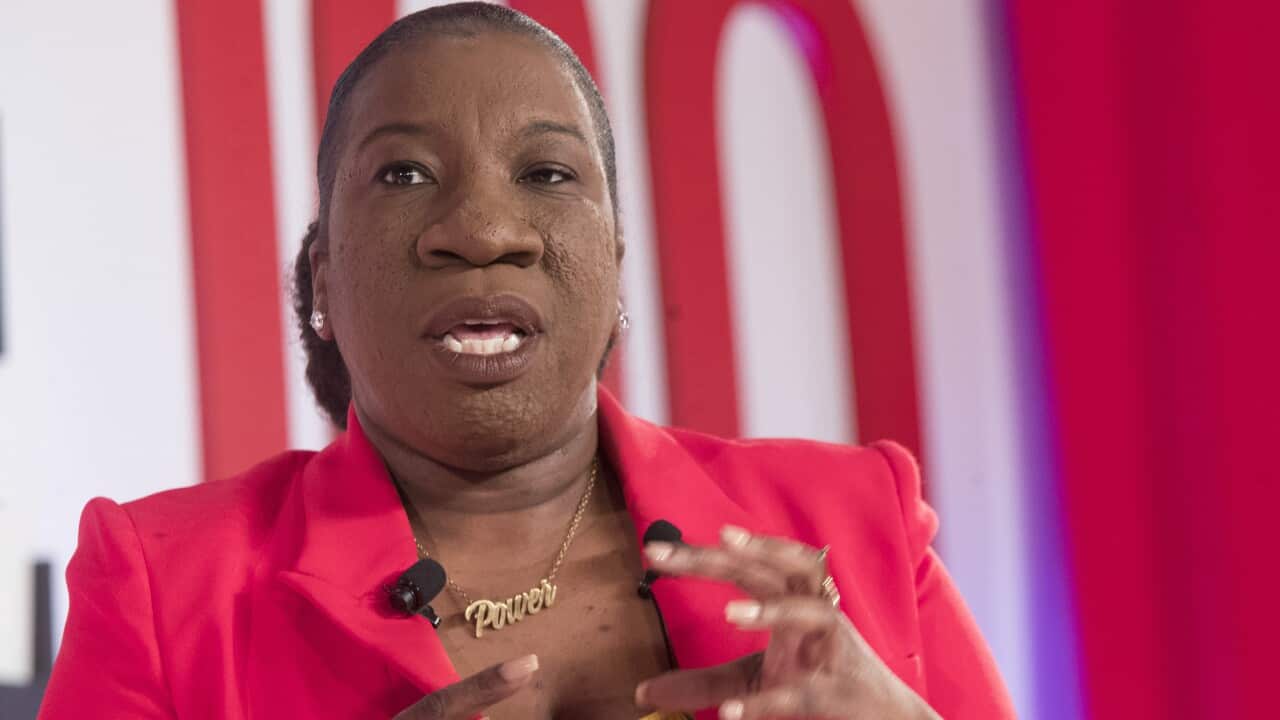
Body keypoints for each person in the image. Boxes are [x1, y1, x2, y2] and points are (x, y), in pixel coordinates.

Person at [39, 4, 1014, 719]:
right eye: (404, 174)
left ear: (614, 263)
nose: (481, 230)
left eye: (546, 175)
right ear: (323, 282)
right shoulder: (168, 589)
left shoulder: (856, 521)